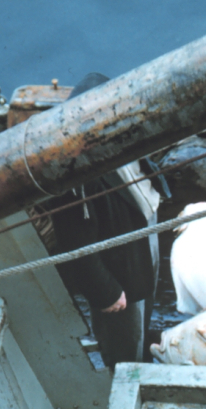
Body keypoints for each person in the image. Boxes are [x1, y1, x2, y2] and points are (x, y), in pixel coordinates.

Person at [49, 72, 161, 368]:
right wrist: (106, 293)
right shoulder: (76, 175)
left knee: (144, 302)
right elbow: (76, 243)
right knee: (124, 332)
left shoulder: (123, 139)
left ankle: (141, 352)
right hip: (119, 266)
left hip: (141, 234)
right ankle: (126, 374)